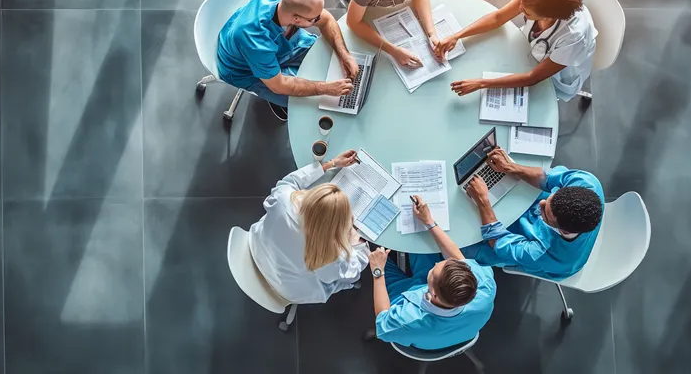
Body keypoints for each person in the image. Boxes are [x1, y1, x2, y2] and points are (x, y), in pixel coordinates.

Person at [434, 0, 598, 102]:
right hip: (530, 48)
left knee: (540, 96)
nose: (519, 7)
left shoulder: (574, 37)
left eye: (525, 11)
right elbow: (498, 18)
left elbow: (532, 78)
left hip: (561, 68)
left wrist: (481, 83)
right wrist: (457, 36)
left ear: (547, 16)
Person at [366, 195, 496, 350]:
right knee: (420, 240)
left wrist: (378, 271)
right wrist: (429, 223)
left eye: (434, 271)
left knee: (376, 256)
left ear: (432, 293)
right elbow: (458, 258)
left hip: (417, 317)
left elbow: (383, 320)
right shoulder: (484, 287)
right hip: (457, 324)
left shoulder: (406, 320)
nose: (436, 263)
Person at [218, 0, 358, 121]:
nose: (319, 19)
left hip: (276, 47)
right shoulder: (255, 39)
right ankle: (277, 100)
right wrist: (326, 89)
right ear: (296, 19)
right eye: (314, 19)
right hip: (244, 69)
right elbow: (279, 85)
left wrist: (344, 55)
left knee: (325, 56)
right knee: (311, 103)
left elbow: (326, 20)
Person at [460, 147, 605, 281]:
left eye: (545, 213)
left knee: (464, 250)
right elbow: (546, 178)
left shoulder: (543, 254)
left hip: (547, 261)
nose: (541, 204)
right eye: (549, 199)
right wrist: (510, 168)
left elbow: (498, 242)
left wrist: (483, 202)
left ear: (563, 230)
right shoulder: (587, 183)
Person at [248, 149, 370, 304]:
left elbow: (290, 181)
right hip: (285, 287)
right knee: (346, 280)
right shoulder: (326, 254)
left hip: (257, 246)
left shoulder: (282, 200)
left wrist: (330, 164)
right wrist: (359, 244)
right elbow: (351, 272)